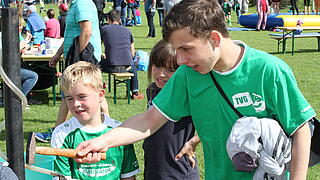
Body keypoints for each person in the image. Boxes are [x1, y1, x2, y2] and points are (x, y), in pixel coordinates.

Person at [75, 0, 315, 179]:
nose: (179, 60)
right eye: (176, 50)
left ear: (214, 38)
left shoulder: (269, 70)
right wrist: (103, 140)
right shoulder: (189, 75)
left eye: (186, 49)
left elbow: (300, 129)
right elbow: (149, 119)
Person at [51, 61, 140, 180]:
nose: (76, 104)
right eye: (69, 98)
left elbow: (128, 176)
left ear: (100, 95)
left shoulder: (120, 132)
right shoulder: (61, 134)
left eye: (82, 97)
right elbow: (62, 177)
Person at [35, 0, 107, 143]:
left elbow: (87, 31)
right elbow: (71, 33)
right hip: (77, 56)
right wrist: (58, 54)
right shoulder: (77, 4)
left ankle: (57, 131)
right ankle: (104, 128)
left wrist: (79, 58)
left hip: (83, 57)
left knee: (75, 94)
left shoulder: (82, 3)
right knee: (83, 93)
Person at [143, 39, 200, 180]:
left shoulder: (189, 94)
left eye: (170, 70)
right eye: (157, 65)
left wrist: (193, 142)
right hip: (153, 166)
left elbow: (213, 122)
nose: (161, 74)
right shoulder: (152, 90)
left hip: (179, 168)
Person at [99, 9, 144, 100]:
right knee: (133, 65)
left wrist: (102, 54)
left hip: (111, 66)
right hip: (127, 66)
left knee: (95, 64)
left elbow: (96, 47)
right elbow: (132, 52)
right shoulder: (128, 31)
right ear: (119, 20)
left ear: (108, 19)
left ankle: (98, 86)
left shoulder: (104, 29)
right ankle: (135, 91)